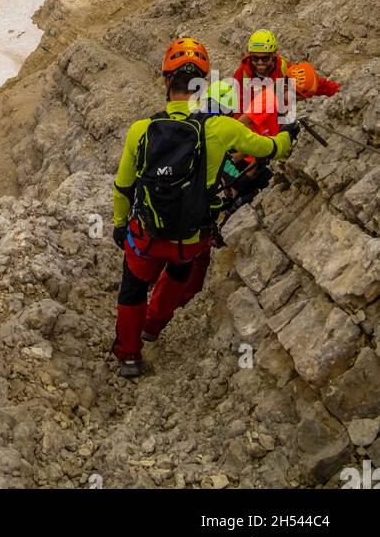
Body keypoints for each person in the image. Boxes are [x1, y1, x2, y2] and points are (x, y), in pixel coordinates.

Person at [112, 37, 296, 379]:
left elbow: (124, 188)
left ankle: (128, 356)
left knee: (133, 288)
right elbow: (270, 148)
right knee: (179, 271)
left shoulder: (141, 130)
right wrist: (289, 133)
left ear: (165, 81)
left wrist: (120, 224)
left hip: (146, 237)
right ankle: (154, 325)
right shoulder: (221, 127)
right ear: (202, 83)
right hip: (190, 239)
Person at [234, 30, 340, 102]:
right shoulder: (242, 74)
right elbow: (241, 110)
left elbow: (309, 82)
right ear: (250, 56)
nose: (260, 62)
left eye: (265, 58)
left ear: (273, 55)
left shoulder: (283, 67)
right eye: (255, 58)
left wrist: (337, 91)